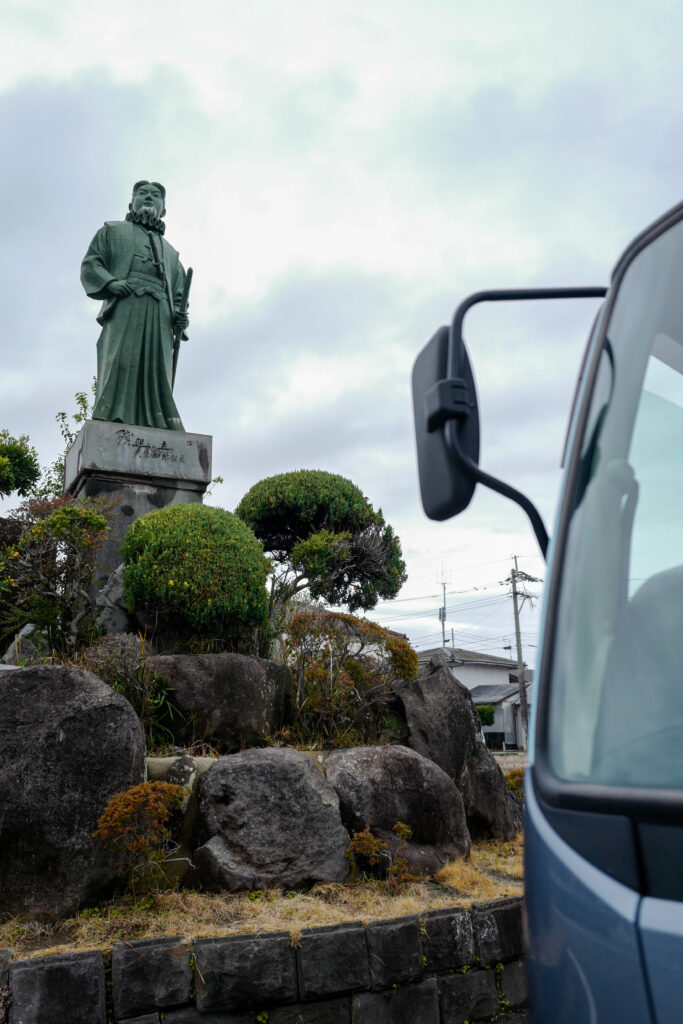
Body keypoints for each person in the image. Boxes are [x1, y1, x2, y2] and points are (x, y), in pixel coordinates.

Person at [80, 180, 190, 431]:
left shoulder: (172, 254)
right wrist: (111, 283)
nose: (148, 198)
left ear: (163, 209)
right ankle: (112, 414)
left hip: (160, 313)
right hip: (126, 305)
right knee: (119, 361)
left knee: (157, 370)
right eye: (142, 194)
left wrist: (180, 317)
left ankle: (160, 419)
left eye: (155, 196)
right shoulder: (112, 232)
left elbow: (180, 294)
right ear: (131, 203)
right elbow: (92, 264)